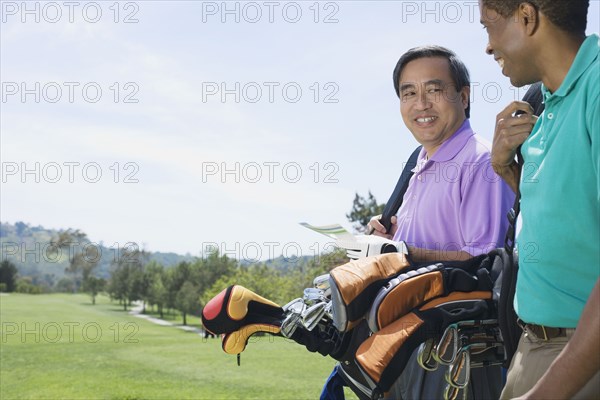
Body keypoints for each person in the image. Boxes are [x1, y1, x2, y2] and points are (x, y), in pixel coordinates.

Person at [324, 45, 515, 400]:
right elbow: (429, 246)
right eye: (408, 92)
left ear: (463, 95)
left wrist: (399, 252)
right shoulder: (419, 164)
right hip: (403, 346)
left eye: (434, 89)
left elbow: (487, 265)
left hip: (451, 357)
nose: (421, 103)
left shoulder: (481, 163)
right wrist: (387, 240)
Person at [478, 0, 599, 398]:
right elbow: (566, 215)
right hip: (531, 347)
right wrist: (507, 170)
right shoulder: (545, 102)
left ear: (527, 18)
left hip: (580, 358)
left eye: (489, 28)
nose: (488, 46)